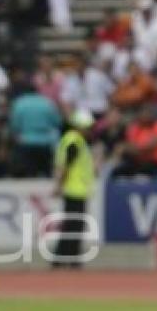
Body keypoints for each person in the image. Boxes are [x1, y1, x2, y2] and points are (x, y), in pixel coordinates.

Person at [52, 108, 95, 269]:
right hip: (75, 189)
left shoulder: (71, 139)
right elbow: (67, 166)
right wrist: (59, 185)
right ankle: (70, 259)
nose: (89, 130)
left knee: (72, 225)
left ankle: (65, 258)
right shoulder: (75, 141)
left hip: (76, 189)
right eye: (87, 127)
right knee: (74, 226)